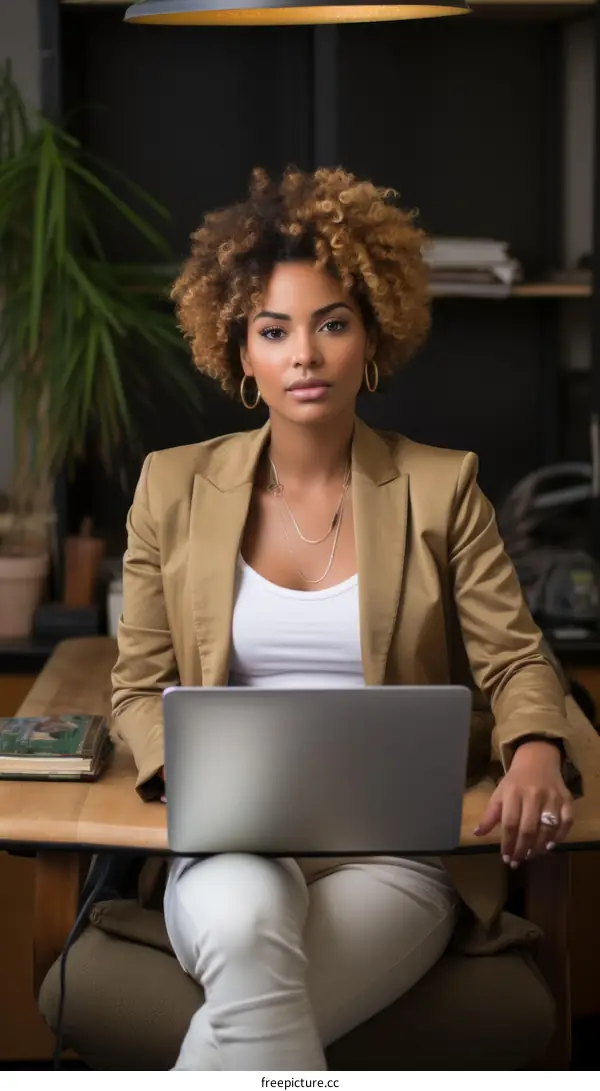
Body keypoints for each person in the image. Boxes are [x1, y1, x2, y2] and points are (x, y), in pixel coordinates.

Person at [111, 166, 583, 1071]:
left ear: (372, 338)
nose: (305, 354)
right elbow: (137, 683)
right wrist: (188, 772)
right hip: (231, 841)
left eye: (332, 323)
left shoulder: (445, 488)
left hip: (397, 852)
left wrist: (532, 748)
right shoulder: (171, 487)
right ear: (238, 351)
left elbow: (520, 663)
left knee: (249, 1006)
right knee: (248, 935)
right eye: (273, 330)